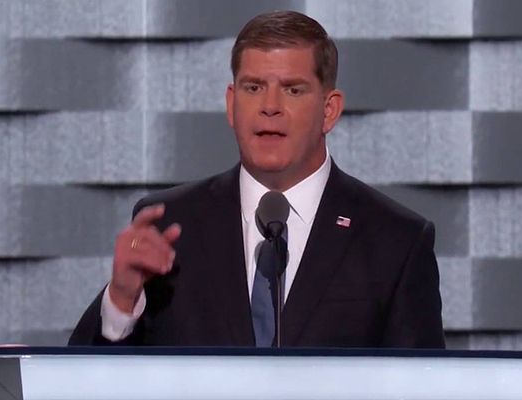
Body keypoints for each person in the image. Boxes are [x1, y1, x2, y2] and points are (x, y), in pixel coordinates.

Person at [69, 10, 444, 348]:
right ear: (232, 105)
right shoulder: (169, 226)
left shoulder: (396, 241)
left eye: (293, 89)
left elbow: (424, 388)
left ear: (329, 111)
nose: (269, 106)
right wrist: (121, 301)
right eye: (253, 88)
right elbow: (87, 382)